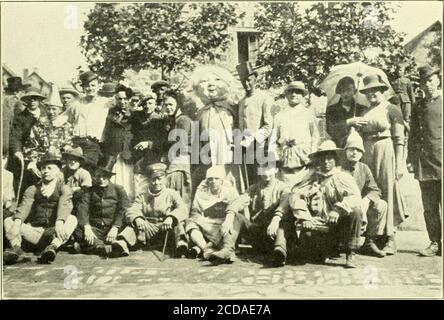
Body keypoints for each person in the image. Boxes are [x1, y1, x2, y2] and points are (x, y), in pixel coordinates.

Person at [279, 140, 363, 268]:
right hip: (317, 226)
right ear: (318, 160)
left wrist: (338, 209)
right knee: (310, 256)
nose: (326, 162)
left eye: (330, 158)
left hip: (337, 226)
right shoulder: (311, 178)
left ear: (335, 160)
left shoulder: (342, 177)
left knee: (356, 212)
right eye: (323, 158)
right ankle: (320, 250)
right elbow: (295, 195)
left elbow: (356, 197)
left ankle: (350, 252)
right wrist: (305, 217)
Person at [358, 74, 406, 255]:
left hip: (386, 150)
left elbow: (399, 137)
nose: (371, 94)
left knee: (388, 189)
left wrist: (400, 163)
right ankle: (373, 235)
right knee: (370, 191)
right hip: (367, 151)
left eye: (375, 91)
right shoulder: (364, 112)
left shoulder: (392, 109)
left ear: (382, 91)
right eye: (368, 91)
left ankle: (390, 237)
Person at [3, 150, 77, 265]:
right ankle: (16, 248)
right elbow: (24, 206)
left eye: (49, 168)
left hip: (54, 232)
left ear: (58, 171)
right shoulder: (33, 188)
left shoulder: (64, 188)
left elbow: (65, 205)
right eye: (43, 168)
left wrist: (59, 222)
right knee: (8, 221)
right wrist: (17, 225)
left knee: (72, 219)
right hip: (35, 231)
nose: (46, 171)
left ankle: (52, 248)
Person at [113, 163, 189, 257]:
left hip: (165, 230)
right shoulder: (142, 196)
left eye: (159, 179)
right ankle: (121, 244)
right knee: (132, 226)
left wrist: (171, 217)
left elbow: (183, 208)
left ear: (164, 179)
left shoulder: (172, 194)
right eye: (153, 179)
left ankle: (181, 246)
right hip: (147, 229)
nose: (156, 183)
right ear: (149, 180)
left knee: (177, 224)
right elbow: (132, 210)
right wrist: (138, 218)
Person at [189, 65, 244, 195]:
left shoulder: (231, 109)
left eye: (216, 80)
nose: (211, 85)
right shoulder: (201, 112)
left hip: (228, 154)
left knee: (230, 180)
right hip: (207, 155)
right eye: (205, 81)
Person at [226, 163, 291, 266]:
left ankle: (279, 251)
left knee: (285, 217)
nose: (266, 172)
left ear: (276, 169)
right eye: (262, 169)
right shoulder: (254, 188)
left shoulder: (283, 187)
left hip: (275, 234)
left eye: (269, 168)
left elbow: (285, 202)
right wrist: (230, 214)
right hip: (259, 234)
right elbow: (241, 200)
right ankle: (227, 249)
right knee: (237, 217)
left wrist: (276, 218)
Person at [409, 65, 442, 257]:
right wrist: (410, 158)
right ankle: (434, 242)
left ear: (438, 80)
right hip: (425, 163)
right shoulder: (418, 106)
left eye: (431, 80)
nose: (427, 85)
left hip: (442, 160)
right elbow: (413, 135)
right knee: (429, 207)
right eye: (424, 82)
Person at [342, 130, 388, 257]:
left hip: (360, 206)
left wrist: (366, 200)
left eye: (358, 150)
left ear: (362, 153)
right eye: (351, 149)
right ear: (345, 151)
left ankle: (369, 242)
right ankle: (342, 242)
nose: (354, 152)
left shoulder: (364, 168)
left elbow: (375, 189)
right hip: (343, 207)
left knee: (381, 205)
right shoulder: (340, 168)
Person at [72, 156, 130, 257]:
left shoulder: (118, 189)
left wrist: (115, 227)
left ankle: (95, 246)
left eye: (105, 176)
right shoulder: (89, 191)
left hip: (113, 228)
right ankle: (104, 247)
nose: (101, 179)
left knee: (129, 230)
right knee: (78, 231)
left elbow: (123, 209)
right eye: (98, 176)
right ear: (94, 176)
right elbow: (82, 208)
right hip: (95, 229)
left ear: (110, 176)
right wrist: (87, 227)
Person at [185, 166, 242, 264]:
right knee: (191, 222)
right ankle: (205, 249)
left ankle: (225, 250)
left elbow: (236, 206)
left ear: (222, 181)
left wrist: (228, 218)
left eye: (216, 179)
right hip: (207, 223)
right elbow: (195, 211)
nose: (213, 181)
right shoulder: (201, 191)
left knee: (232, 222)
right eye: (210, 179)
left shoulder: (229, 191)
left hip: (223, 224)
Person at [23, 88, 73, 185]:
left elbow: (69, 146)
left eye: (54, 109)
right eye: (48, 109)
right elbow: (32, 146)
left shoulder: (66, 126)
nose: (51, 112)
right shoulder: (38, 126)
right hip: (42, 164)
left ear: (60, 110)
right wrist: (33, 163)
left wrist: (66, 150)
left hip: (60, 164)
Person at [273, 81, 319, 186]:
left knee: (304, 187)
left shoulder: (308, 114)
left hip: (304, 159)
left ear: (303, 96)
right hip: (286, 160)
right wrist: (276, 156)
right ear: (286, 95)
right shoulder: (279, 116)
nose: (294, 95)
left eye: (297, 92)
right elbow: (274, 140)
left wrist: (312, 155)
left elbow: (315, 137)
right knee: (285, 188)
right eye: (291, 92)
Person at [236, 61, 274, 186]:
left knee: (262, 179)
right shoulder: (242, 102)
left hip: (260, 147)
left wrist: (254, 138)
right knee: (249, 181)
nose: (246, 84)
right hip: (245, 148)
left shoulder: (264, 98)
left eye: (249, 80)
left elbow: (268, 125)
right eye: (243, 81)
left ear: (255, 79)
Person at [8, 87, 47, 195]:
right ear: (26, 101)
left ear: (39, 100)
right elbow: (16, 136)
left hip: (45, 152)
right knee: (26, 179)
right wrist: (17, 151)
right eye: (30, 99)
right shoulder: (21, 117)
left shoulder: (46, 115)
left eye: (35, 99)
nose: (33, 101)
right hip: (27, 153)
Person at [101, 84, 134, 200]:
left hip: (127, 153)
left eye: (125, 99)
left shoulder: (134, 115)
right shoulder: (109, 113)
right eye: (120, 99)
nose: (123, 101)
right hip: (113, 154)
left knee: (128, 183)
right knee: (114, 181)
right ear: (116, 99)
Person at [162, 90, 193, 207]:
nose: (168, 107)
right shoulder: (174, 120)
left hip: (182, 158)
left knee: (181, 190)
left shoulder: (183, 120)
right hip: (175, 157)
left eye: (171, 104)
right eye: (166, 105)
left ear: (178, 104)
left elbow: (179, 143)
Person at [325, 76, 367, 148]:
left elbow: (366, 130)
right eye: (342, 91)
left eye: (349, 90)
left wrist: (357, 130)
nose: (345, 94)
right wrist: (348, 122)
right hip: (339, 146)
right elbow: (331, 130)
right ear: (339, 93)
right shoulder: (332, 110)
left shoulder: (362, 109)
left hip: (357, 147)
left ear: (354, 91)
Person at [2, 77, 29, 152]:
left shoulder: (27, 106)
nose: (14, 93)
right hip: (5, 145)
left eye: (17, 91)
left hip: (22, 145)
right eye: (11, 91)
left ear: (22, 92)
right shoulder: (3, 106)